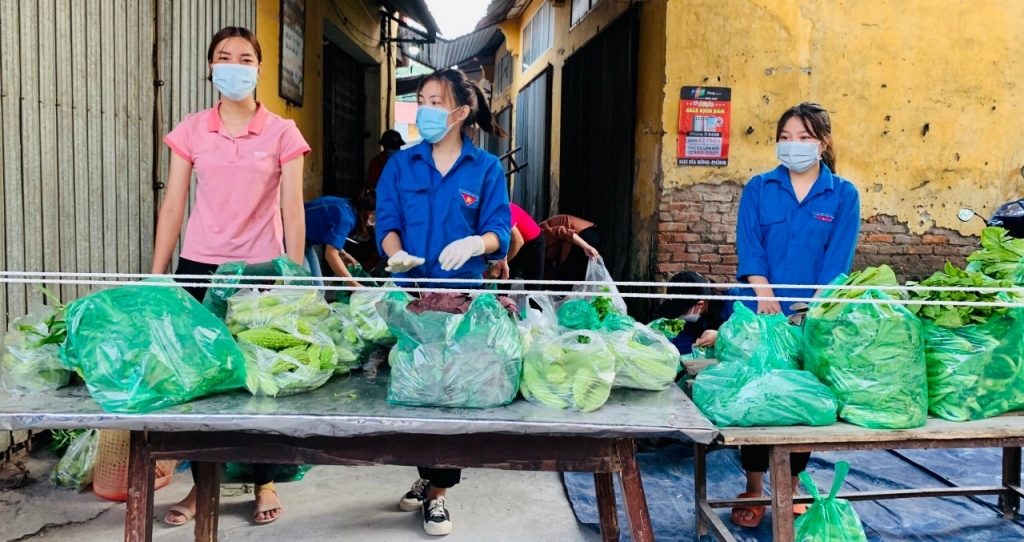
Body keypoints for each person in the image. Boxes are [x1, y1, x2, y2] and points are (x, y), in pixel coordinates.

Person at [151, 26, 309, 527]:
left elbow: (292, 205)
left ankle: (263, 480)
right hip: (200, 267)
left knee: (260, 380)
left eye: (245, 57)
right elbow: (174, 202)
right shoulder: (192, 129)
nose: (234, 64)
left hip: (261, 271)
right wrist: (157, 276)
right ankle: (204, 487)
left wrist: (294, 273)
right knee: (202, 382)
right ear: (211, 67)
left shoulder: (283, 131)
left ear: (259, 68)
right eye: (224, 56)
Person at [375, 68, 511, 536]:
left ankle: (437, 495)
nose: (425, 110)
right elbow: (386, 222)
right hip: (412, 296)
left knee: (452, 393)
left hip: (462, 300)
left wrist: (477, 245)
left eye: (435, 101)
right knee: (414, 389)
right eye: (422, 100)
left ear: (460, 111)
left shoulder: (486, 169)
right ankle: (425, 474)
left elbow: (500, 231)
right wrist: (395, 255)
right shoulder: (402, 165)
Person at [731, 102, 860, 528]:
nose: (793, 145)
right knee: (756, 397)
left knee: (800, 398)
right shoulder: (760, 187)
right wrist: (766, 297)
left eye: (803, 137)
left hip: (811, 316)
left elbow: (837, 260)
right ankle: (753, 486)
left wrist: (809, 308)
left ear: (822, 143)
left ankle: (790, 484)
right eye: (785, 137)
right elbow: (750, 247)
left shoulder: (842, 195)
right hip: (758, 310)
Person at [655, 271, 738, 355]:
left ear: (700, 304)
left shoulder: (736, 302)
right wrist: (654, 344)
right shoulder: (697, 320)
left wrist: (720, 336)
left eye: (682, 310)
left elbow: (749, 336)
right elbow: (681, 345)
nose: (680, 316)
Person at [303, 195, 362, 289]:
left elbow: (330, 231)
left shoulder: (346, 206)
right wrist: (354, 286)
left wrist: (342, 252)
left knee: (318, 290)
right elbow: (330, 255)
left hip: (305, 241)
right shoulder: (346, 219)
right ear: (370, 213)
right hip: (290, 238)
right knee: (306, 290)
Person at [539, 214, 599, 286]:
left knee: (566, 282)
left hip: (583, 236)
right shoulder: (538, 258)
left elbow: (563, 232)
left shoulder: (537, 237)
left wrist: (586, 246)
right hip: (577, 243)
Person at [499, 203, 545, 288]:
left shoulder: (502, 211)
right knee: (504, 279)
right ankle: (501, 298)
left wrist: (501, 263)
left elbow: (518, 241)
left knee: (532, 284)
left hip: (532, 241)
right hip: (513, 241)